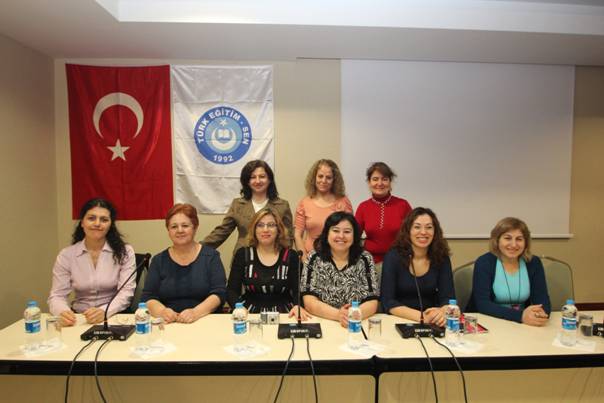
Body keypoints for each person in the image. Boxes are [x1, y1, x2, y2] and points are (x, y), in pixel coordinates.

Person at [48, 198, 136, 327]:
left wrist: (104, 311)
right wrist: (63, 312)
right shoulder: (66, 255)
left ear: (110, 225)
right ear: (82, 222)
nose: (97, 223)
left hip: (113, 317)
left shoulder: (125, 252)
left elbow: (126, 292)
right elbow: (57, 295)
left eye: (104, 220)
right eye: (91, 218)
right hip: (79, 319)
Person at [142, 203, 227, 323]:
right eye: (174, 227)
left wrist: (195, 313)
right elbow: (148, 297)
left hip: (204, 321)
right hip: (169, 323)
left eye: (185, 225)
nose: (180, 230)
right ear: (168, 230)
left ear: (195, 228)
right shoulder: (158, 261)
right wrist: (162, 311)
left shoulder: (211, 257)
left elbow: (219, 293)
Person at [227, 208, 311, 320]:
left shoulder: (291, 256)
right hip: (248, 313)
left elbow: (299, 290)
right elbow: (231, 290)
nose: (265, 229)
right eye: (260, 225)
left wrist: (297, 306)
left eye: (271, 225)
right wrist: (239, 308)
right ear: (254, 229)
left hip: (285, 314)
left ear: (278, 230)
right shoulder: (243, 254)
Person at [468, 217, 551, 326]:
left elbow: (542, 299)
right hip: (489, 321)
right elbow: (483, 304)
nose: (513, 244)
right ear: (497, 240)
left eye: (519, 239)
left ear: (526, 242)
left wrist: (540, 313)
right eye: (507, 238)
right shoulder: (484, 262)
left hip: (523, 324)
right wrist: (520, 316)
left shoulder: (533, 263)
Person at [301, 212, 378, 328]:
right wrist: (338, 315)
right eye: (336, 231)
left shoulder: (365, 259)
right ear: (327, 234)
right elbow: (309, 301)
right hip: (323, 321)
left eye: (347, 232)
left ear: (354, 235)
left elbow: (372, 301)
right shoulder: (314, 258)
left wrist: (352, 315)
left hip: (356, 323)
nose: (341, 236)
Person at [203, 160, 293, 259]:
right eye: (252, 177)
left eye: (262, 176)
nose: (257, 181)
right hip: (243, 259)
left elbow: (288, 237)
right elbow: (222, 232)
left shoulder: (282, 205)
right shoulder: (237, 205)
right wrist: (199, 248)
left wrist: (285, 259)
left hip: (273, 259)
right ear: (247, 181)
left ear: (269, 179)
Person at [380, 207, 455, 327]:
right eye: (417, 227)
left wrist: (442, 312)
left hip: (433, 321)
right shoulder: (393, 257)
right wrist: (421, 317)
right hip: (399, 319)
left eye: (429, 227)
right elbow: (388, 301)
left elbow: (448, 298)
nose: (423, 232)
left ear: (435, 231)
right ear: (408, 230)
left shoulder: (441, 257)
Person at [355, 162, 412, 272]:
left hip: (398, 263)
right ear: (369, 182)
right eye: (375, 179)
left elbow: (412, 235)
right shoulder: (363, 207)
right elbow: (354, 236)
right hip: (370, 264)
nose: (380, 183)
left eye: (384, 179)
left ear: (390, 183)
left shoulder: (403, 205)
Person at [295, 159, 353, 261]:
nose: (324, 181)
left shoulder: (343, 202)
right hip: (310, 258)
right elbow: (297, 235)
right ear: (314, 178)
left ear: (334, 180)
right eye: (320, 176)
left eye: (328, 177)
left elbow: (350, 233)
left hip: (337, 259)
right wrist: (304, 260)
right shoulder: (304, 203)